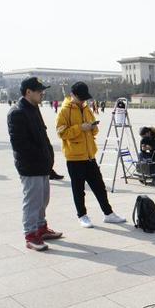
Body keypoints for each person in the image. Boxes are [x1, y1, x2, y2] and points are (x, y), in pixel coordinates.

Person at [56, 81, 126, 228]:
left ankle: (108, 213)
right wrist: (80, 128)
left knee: (99, 186)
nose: (83, 101)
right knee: (78, 189)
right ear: (72, 95)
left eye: (84, 98)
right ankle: (82, 215)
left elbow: (93, 127)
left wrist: (92, 128)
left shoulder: (86, 108)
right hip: (74, 157)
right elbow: (61, 133)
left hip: (89, 155)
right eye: (80, 98)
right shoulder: (64, 110)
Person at [7, 77, 62, 251]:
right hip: (30, 167)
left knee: (43, 200)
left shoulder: (33, 108)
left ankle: (41, 228)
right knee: (32, 201)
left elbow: (42, 135)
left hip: (42, 164)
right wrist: (40, 157)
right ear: (28, 92)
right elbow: (20, 144)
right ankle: (31, 235)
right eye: (39, 91)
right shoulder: (17, 112)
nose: (42, 93)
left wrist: (48, 158)